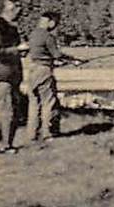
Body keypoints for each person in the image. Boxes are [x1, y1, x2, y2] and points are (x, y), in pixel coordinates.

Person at [23, 10, 84, 144]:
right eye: (55, 22)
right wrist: (74, 60)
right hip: (44, 71)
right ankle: (47, 134)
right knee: (48, 102)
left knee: (34, 103)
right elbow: (56, 55)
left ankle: (31, 135)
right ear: (50, 22)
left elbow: (40, 54)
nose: (56, 25)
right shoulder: (48, 36)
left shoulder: (33, 35)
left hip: (32, 70)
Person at [0, 0, 29, 153]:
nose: (19, 14)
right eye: (18, 11)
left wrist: (20, 51)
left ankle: (4, 143)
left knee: (9, 108)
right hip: (4, 73)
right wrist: (18, 48)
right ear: (10, 10)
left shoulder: (11, 27)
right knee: (3, 109)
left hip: (11, 73)